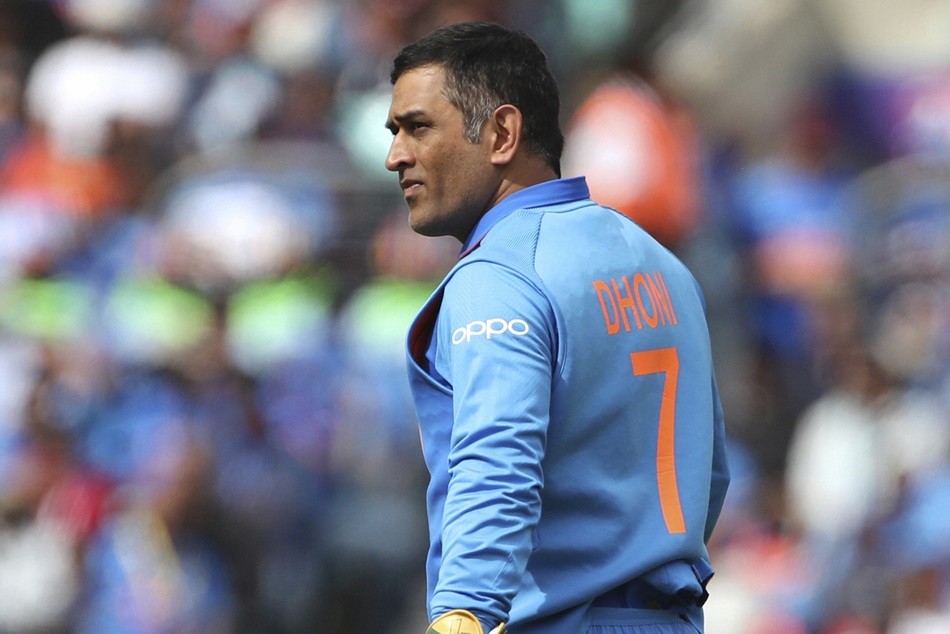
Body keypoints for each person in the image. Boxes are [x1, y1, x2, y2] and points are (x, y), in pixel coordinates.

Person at [384, 21, 730, 634]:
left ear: (502, 134)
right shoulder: (665, 266)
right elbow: (711, 471)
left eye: (419, 127)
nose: (396, 156)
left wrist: (465, 609)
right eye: (395, 133)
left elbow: (497, 459)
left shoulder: (499, 276)